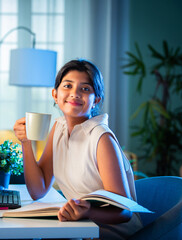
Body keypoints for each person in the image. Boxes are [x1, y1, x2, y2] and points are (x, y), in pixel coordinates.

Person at [13, 59, 142, 239]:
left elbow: (125, 212)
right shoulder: (58, 127)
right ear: (55, 94)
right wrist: (26, 142)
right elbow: (38, 190)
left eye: (85, 89)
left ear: (96, 100)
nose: (75, 93)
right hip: (80, 226)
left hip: (111, 231)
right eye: (67, 86)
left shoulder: (101, 138)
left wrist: (87, 211)